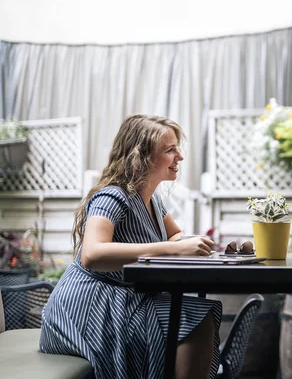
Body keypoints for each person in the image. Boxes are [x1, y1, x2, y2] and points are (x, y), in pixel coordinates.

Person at [40, 115, 222, 379]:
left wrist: (185, 244)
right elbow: (92, 254)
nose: (179, 156)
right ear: (142, 156)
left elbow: (175, 237)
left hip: (128, 298)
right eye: (170, 150)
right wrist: (172, 249)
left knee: (195, 317)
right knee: (194, 319)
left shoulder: (153, 200)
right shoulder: (113, 196)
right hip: (90, 306)